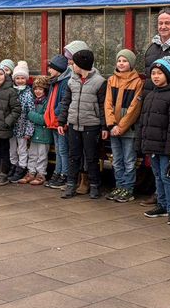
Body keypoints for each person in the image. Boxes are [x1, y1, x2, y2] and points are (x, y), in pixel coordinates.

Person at [137, 58, 170, 222]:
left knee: (168, 177)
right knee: (157, 176)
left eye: (160, 73)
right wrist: (142, 143)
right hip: (153, 145)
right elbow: (144, 121)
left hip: (166, 146)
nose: (156, 76)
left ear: (168, 75)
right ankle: (162, 204)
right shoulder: (150, 95)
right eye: (153, 73)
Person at [58, 48, 107, 200]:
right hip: (73, 123)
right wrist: (62, 120)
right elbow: (66, 102)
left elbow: (102, 106)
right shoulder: (72, 81)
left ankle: (94, 185)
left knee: (91, 157)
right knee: (74, 156)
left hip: (91, 124)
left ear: (81, 65)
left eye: (74, 63)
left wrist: (104, 126)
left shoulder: (99, 82)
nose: (71, 65)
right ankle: (71, 184)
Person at [104, 49, 144, 203]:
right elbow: (108, 103)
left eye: (124, 61)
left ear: (131, 64)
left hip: (128, 130)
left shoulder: (137, 82)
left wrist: (121, 126)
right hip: (114, 128)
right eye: (119, 61)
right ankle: (119, 185)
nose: (121, 63)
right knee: (117, 159)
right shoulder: (111, 80)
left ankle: (128, 188)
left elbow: (134, 108)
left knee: (129, 159)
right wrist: (112, 124)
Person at [44, 54, 72, 190]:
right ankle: (57, 172)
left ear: (58, 69)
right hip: (53, 121)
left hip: (59, 121)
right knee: (59, 149)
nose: (49, 70)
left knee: (62, 149)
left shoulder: (65, 82)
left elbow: (64, 101)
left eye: (51, 68)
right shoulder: (55, 81)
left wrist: (55, 112)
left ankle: (64, 173)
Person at [9, 60, 35, 183]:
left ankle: (22, 166)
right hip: (11, 126)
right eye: (17, 78)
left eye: (22, 78)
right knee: (12, 147)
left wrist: (29, 130)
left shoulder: (28, 94)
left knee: (22, 148)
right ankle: (13, 165)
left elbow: (30, 113)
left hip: (23, 126)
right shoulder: (11, 91)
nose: (20, 80)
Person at [23, 75, 52, 185]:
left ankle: (41, 174)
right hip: (34, 133)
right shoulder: (33, 101)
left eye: (40, 89)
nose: (37, 91)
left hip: (44, 134)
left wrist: (30, 115)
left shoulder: (46, 102)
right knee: (32, 154)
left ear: (45, 90)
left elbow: (44, 119)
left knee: (42, 156)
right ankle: (31, 172)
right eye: (35, 89)